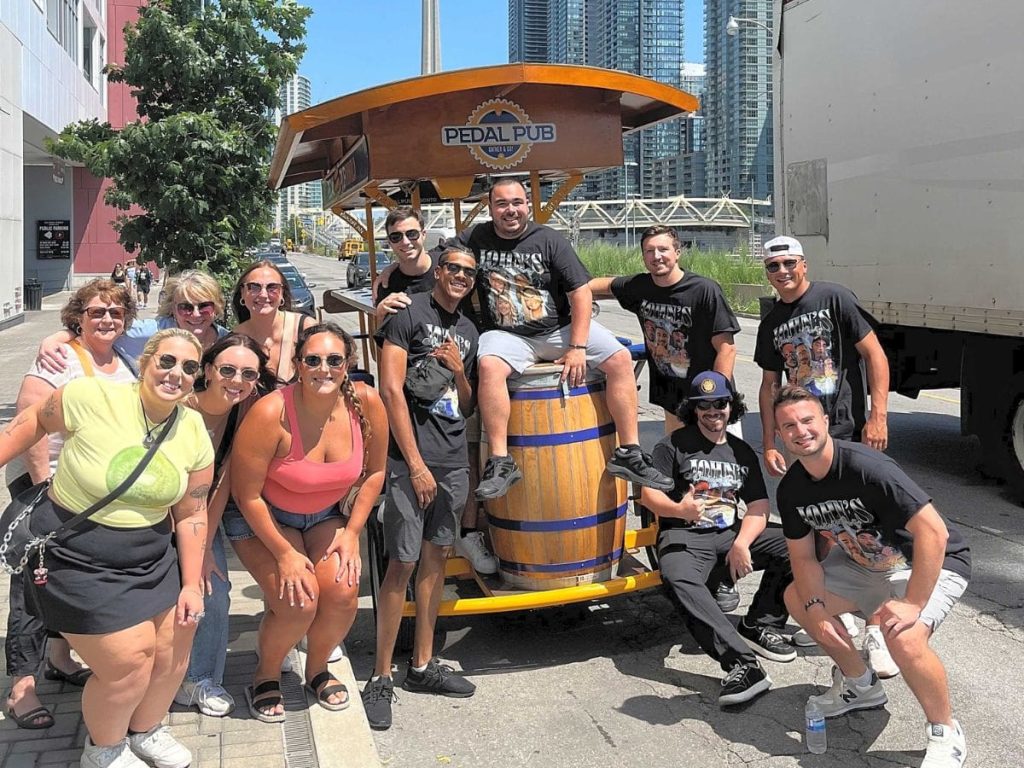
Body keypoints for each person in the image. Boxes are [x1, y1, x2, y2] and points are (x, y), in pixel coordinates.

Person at [0, 328, 214, 768]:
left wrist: (191, 584)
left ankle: (147, 730)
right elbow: (34, 419)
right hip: (74, 552)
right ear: (147, 362)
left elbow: (191, 514)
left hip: (150, 557)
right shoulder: (94, 397)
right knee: (129, 660)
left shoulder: (192, 428)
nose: (176, 374)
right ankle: (104, 749)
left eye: (189, 367)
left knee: (175, 644)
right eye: (167, 362)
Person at [774, 385, 971, 768]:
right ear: (780, 435)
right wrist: (815, 609)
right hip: (864, 564)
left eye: (807, 420)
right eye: (789, 425)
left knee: (904, 637)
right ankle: (861, 686)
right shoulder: (792, 489)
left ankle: (946, 730)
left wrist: (913, 603)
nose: (801, 431)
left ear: (825, 422)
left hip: (927, 561)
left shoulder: (867, 467)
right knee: (797, 597)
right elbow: (803, 557)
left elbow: (935, 533)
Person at [454, 177, 672, 499]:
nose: (510, 210)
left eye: (516, 203)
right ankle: (501, 461)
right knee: (489, 366)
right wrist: (391, 275)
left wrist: (577, 347)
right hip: (508, 334)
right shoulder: (474, 237)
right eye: (501, 204)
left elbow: (581, 293)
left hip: (558, 329)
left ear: (527, 204)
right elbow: (433, 260)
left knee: (620, 359)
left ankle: (629, 452)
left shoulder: (549, 239)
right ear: (490, 208)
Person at [229, 323, 387, 723]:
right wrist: (283, 552)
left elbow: (375, 473)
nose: (324, 369)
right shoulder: (271, 412)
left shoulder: (365, 402)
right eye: (313, 360)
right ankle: (265, 674)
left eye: (334, 360)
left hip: (324, 516)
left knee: (343, 591)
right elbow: (245, 494)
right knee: (297, 601)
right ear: (298, 364)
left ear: (348, 364)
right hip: (262, 514)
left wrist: (352, 532)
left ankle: (317, 668)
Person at [4, 279, 138, 731]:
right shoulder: (58, 359)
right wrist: (45, 491)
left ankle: (60, 659)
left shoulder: (123, 361)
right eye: (97, 311)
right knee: (33, 585)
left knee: (69, 578)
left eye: (115, 313)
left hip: (90, 494)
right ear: (77, 315)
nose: (106, 320)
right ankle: (21, 687)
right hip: (49, 487)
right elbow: (31, 425)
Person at [362, 246, 480, 730]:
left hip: (452, 460)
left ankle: (423, 665)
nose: (460, 277)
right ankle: (380, 675)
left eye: (469, 273)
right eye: (453, 268)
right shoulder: (409, 314)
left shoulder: (469, 331)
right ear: (439, 270)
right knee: (402, 562)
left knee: (436, 561)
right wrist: (413, 463)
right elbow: (390, 390)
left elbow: (468, 405)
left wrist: (457, 370)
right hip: (411, 461)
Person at [641, 372, 794, 707]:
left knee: (795, 545)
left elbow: (758, 505)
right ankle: (743, 664)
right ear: (693, 409)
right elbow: (648, 496)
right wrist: (679, 509)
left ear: (731, 406)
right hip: (684, 534)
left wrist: (742, 543)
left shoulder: (740, 451)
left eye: (720, 403)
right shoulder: (673, 445)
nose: (713, 411)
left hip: (729, 535)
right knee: (679, 579)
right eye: (704, 405)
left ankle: (759, 624)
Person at [374, 207, 498, 574]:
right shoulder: (388, 279)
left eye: (411, 234)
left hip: (456, 372)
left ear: (424, 234)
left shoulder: (446, 266)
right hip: (414, 385)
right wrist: (378, 309)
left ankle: (469, 529)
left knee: (470, 448)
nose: (405, 243)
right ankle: (398, 497)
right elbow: (384, 341)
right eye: (396, 238)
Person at [173, 334, 276, 718]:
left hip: (198, 514)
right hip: (152, 513)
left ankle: (198, 679)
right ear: (208, 370)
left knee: (211, 583)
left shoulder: (244, 413)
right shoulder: (180, 406)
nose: (237, 379)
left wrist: (201, 550)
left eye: (248, 373)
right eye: (228, 370)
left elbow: (222, 484)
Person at [590, 225, 739, 434]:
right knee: (677, 461)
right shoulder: (639, 286)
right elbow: (594, 286)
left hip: (708, 400)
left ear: (677, 253)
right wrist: (572, 296)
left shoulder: (704, 290)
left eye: (663, 249)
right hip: (672, 401)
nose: (656, 256)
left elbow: (727, 349)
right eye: (649, 251)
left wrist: (714, 398)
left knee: (719, 463)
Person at [35, 270, 230, 373]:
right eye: (186, 307)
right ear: (172, 309)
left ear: (217, 308)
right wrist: (57, 338)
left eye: (204, 306)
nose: (195, 314)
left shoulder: (227, 341)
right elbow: (104, 328)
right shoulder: (151, 331)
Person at [230, 260, 317, 385]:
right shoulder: (234, 340)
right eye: (254, 287)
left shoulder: (306, 329)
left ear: (282, 293)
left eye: (272, 288)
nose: (263, 294)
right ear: (242, 293)